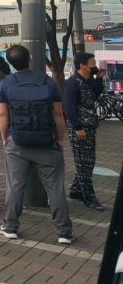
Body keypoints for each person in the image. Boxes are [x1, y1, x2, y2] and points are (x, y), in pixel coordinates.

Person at [0, 45, 72, 244]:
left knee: (15, 186)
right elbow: (58, 115)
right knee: (55, 188)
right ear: (29, 58)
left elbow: (3, 115)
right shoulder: (48, 82)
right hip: (47, 142)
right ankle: (64, 232)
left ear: (11, 63)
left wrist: (5, 138)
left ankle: (10, 227)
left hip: (17, 143)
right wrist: (60, 139)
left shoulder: (6, 84)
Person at [64, 52, 105, 211]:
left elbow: (93, 96)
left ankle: (76, 191)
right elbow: (69, 107)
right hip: (80, 128)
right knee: (84, 162)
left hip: (90, 126)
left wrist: (99, 78)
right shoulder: (72, 83)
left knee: (88, 161)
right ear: (82, 65)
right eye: (92, 62)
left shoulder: (88, 81)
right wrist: (77, 127)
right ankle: (88, 196)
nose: (95, 65)